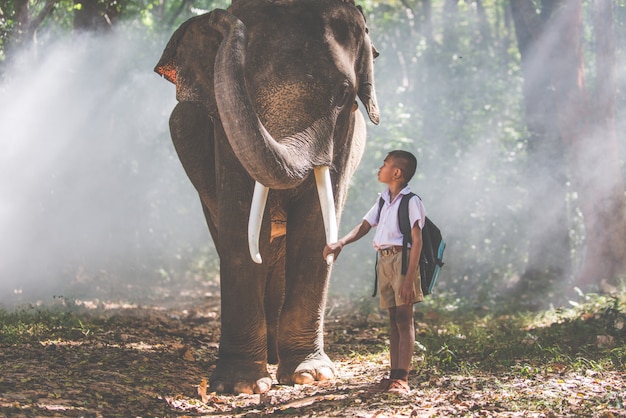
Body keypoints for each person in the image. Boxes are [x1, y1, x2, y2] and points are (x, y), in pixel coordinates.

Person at [323, 150, 425, 395]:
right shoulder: (383, 200)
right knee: (393, 320)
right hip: (385, 261)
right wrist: (341, 243)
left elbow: (417, 240)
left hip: (403, 261)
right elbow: (365, 225)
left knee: (404, 318)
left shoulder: (411, 201)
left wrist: (409, 278)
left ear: (397, 172)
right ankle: (394, 375)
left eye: (385, 164)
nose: (380, 168)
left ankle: (402, 378)